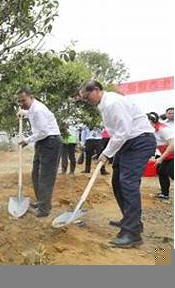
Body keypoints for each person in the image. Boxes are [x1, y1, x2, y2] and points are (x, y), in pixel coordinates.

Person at [79, 80, 156, 248]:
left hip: (139, 141)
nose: (87, 101)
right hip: (127, 142)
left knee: (127, 183)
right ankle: (131, 221)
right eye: (84, 99)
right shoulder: (104, 104)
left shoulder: (113, 103)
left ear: (97, 90)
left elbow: (123, 131)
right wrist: (107, 152)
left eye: (87, 96)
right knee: (117, 182)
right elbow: (117, 133)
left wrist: (106, 154)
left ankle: (132, 234)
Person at [17, 87, 61, 217]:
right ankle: (42, 202)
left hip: (50, 142)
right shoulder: (32, 109)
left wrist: (27, 140)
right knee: (35, 174)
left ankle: (44, 209)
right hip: (42, 142)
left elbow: (43, 132)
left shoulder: (38, 110)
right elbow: (30, 113)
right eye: (19, 101)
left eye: (23, 100)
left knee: (45, 177)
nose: (21, 103)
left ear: (31, 97)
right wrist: (23, 112)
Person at [146, 112, 174, 200]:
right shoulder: (152, 131)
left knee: (171, 172)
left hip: (172, 155)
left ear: (152, 121)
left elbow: (172, 145)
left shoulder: (163, 129)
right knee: (161, 172)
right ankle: (164, 194)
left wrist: (161, 158)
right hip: (167, 156)